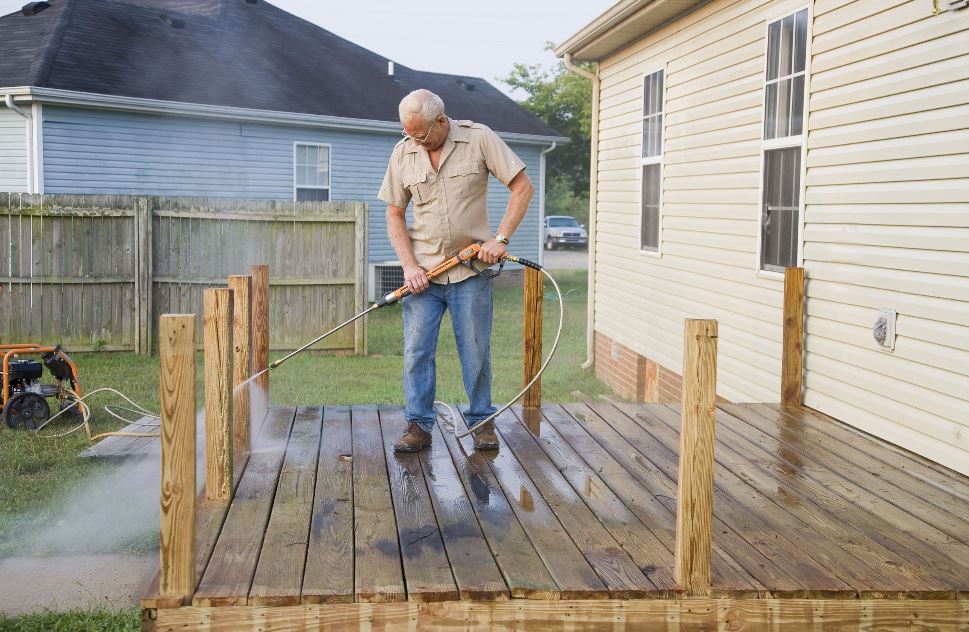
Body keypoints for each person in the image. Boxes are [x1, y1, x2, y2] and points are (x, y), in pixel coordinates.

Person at [378, 89, 534, 452]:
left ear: (441, 121)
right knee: (417, 351)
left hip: (471, 271)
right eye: (408, 133)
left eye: (420, 134)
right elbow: (394, 213)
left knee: (476, 350)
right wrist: (408, 265)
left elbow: (522, 187)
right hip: (423, 278)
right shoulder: (403, 152)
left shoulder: (479, 139)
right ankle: (418, 424)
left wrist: (501, 238)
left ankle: (481, 422)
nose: (413, 140)